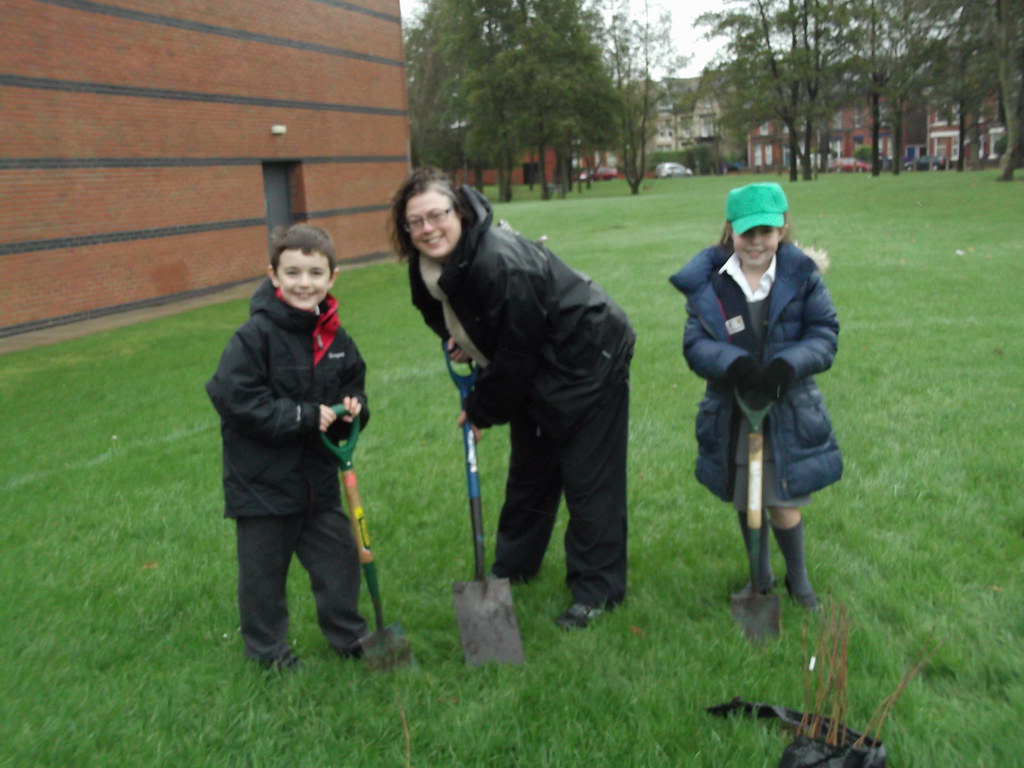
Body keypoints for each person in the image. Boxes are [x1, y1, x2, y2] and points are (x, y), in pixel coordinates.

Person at [389, 168, 635, 629]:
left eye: (436, 215)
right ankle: (514, 566)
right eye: (415, 222)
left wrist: (481, 408)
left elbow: (517, 355)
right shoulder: (427, 269)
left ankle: (597, 591)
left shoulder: (500, 261)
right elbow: (449, 318)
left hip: (587, 359)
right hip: (538, 363)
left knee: (589, 479)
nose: (427, 229)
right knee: (531, 471)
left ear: (458, 212)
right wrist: (463, 340)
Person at [669, 182, 841, 609]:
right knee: (747, 497)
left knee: (782, 499)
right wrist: (735, 366)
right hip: (735, 409)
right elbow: (695, 345)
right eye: (747, 234)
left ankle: (798, 583)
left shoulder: (801, 280)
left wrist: (787, 367)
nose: (757, 243)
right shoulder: (712, 285)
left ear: (783, 229)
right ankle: (758, 576)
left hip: (786, 408)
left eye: (766, 232)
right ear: (730, 232)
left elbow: (823, 334)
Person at [206, 223, 370, 668]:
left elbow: (353, 385)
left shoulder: (337, 340)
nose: (304, 283)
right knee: (263, 578)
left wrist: (354, 409)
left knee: (340, 562)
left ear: (332, 277)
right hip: (261, 486)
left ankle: (350, 638)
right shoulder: (253, 337)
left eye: (315, 273)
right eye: (293, 272)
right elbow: (232, 397)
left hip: (317, 483)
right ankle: (268, 653)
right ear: (273, 276)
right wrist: (299, 416)